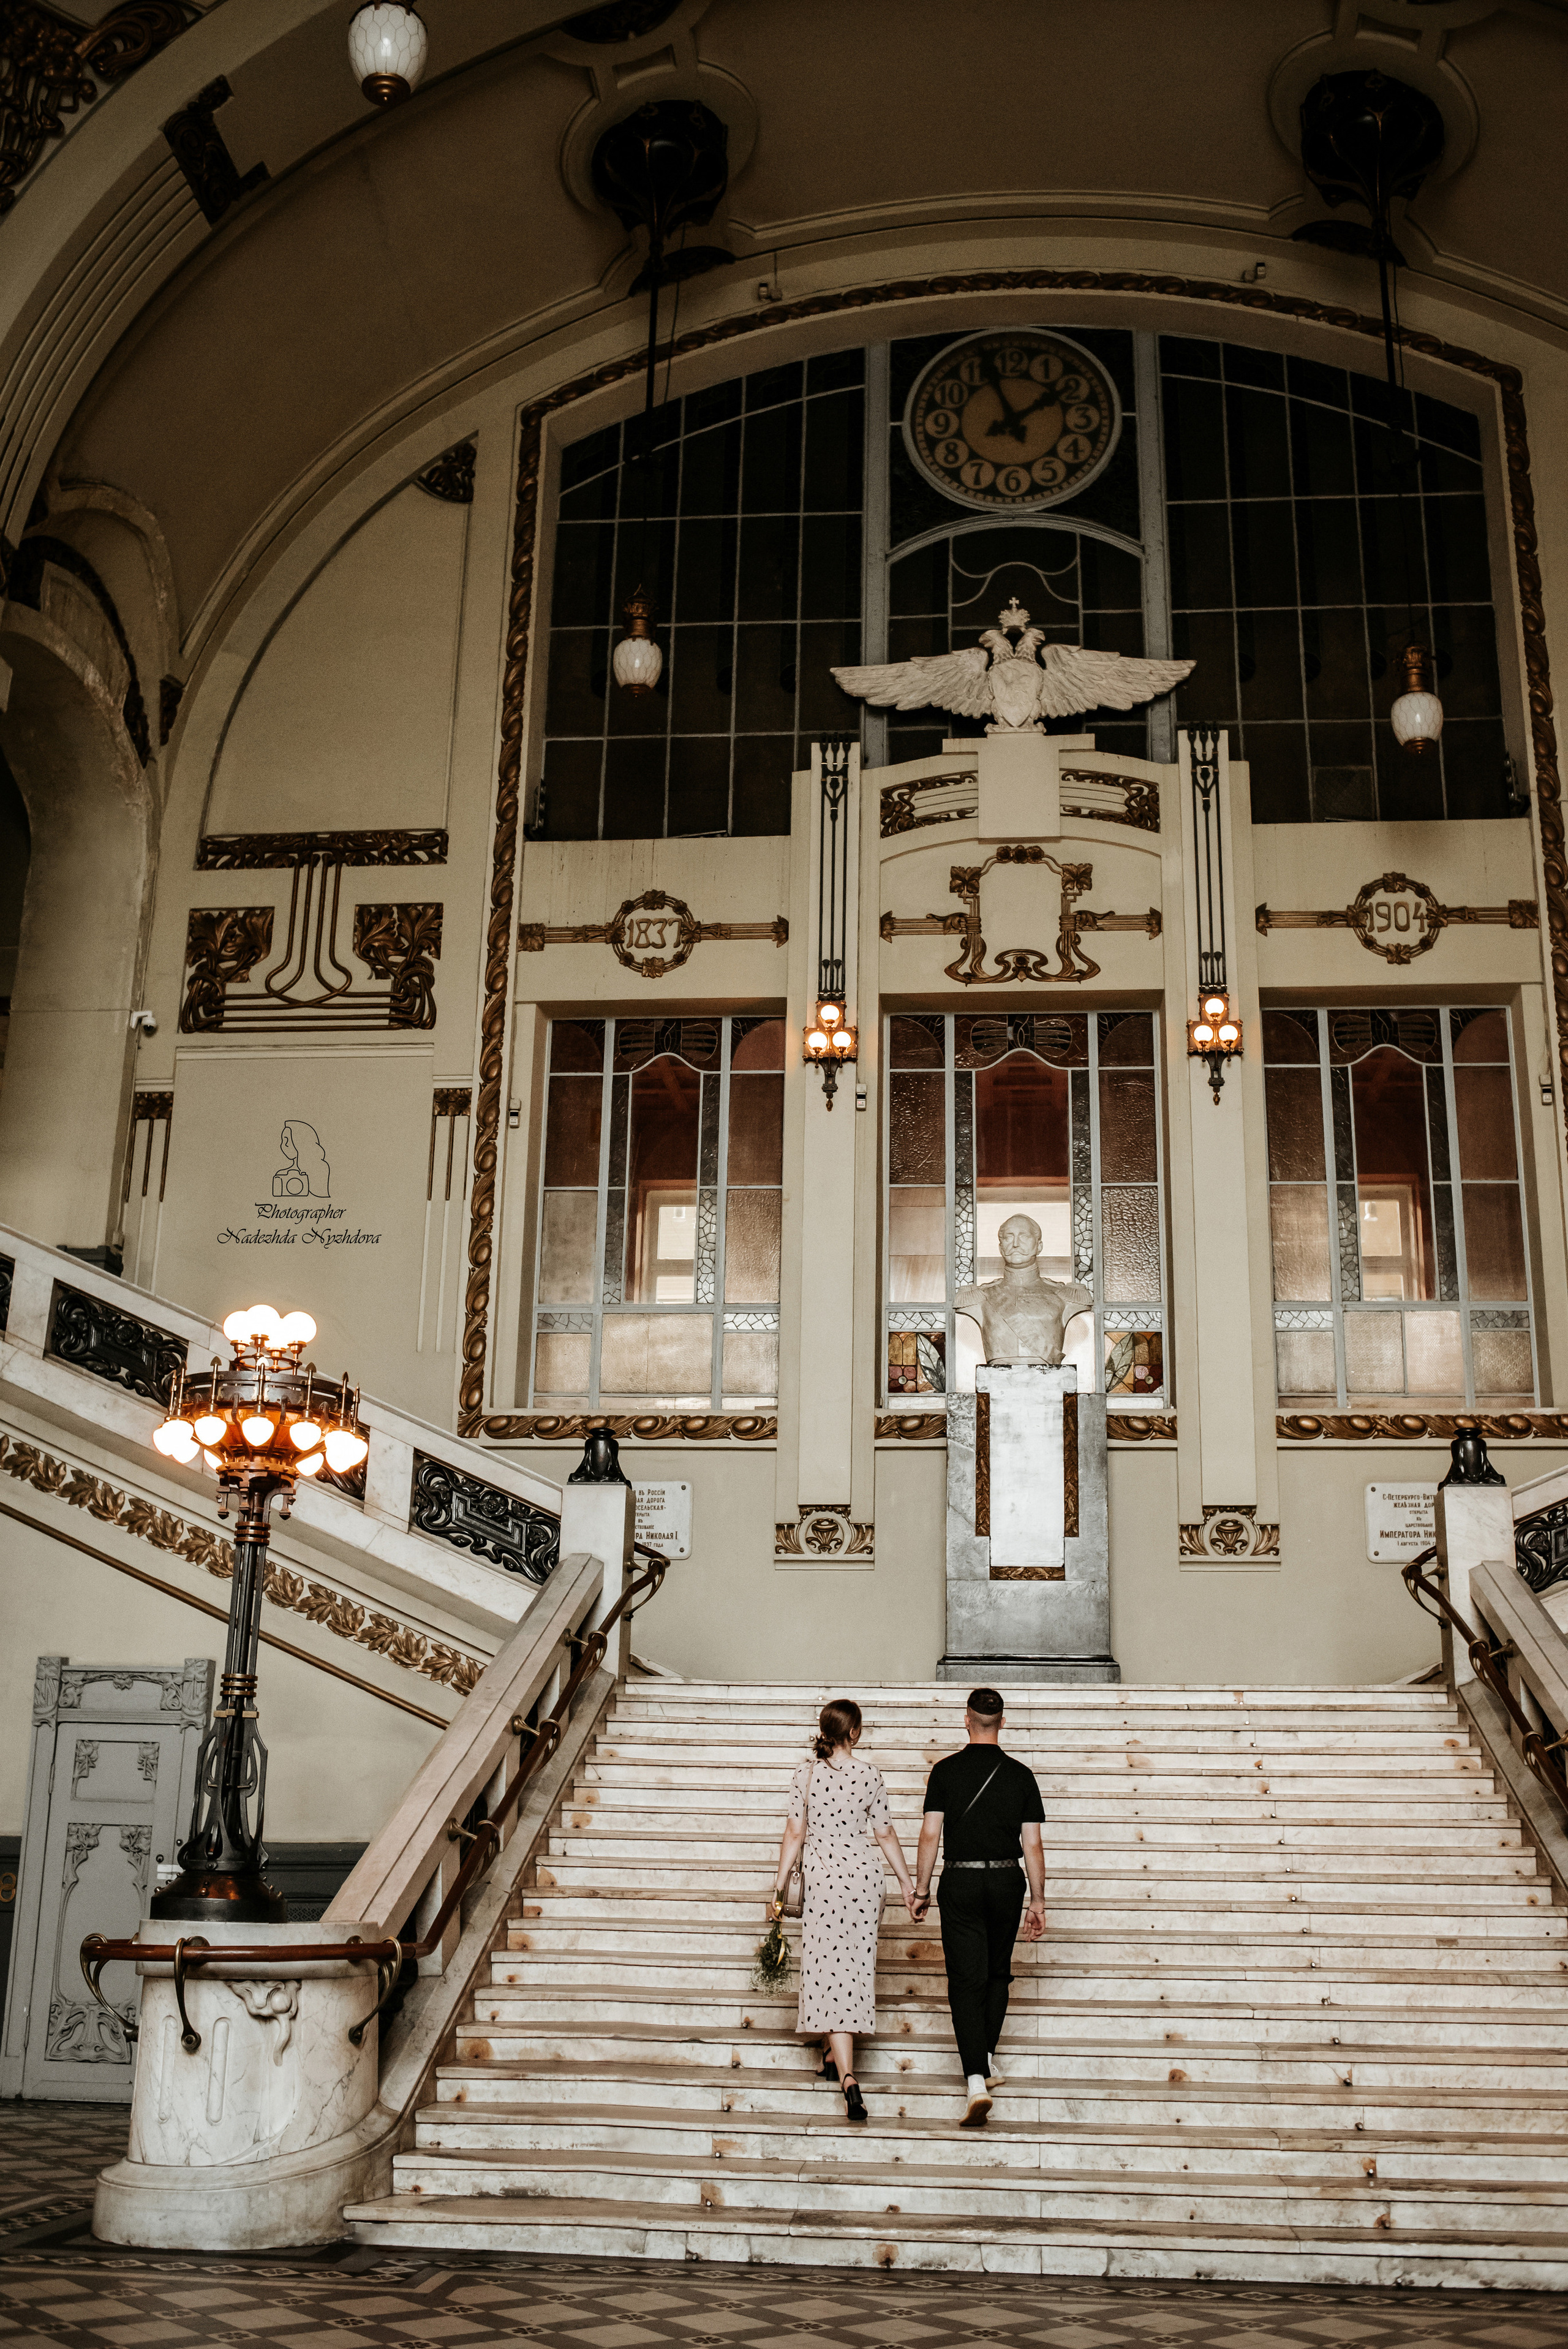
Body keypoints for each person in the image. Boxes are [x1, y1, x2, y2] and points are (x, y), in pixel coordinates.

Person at [769, 1698, 919, 2124]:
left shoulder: (806, 1773)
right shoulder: (870, 1775)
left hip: (823, 1880)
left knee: (824, 1967)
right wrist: (909, 1885)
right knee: (851, 1969)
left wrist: (779, 1887)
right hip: (863, 1880)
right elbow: (885, 1833)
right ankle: (832, 2056)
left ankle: (848, 2077)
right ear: (854, 1732)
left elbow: (795, 1834)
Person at [911, 1685, 1046, 2127]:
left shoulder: (945, 1771)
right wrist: (1039, 1899)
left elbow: (931, 1834)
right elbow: (1032, 1843)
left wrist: (922, 1888)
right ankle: (986, 2058)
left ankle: (975, 2079)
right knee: (997, 1973)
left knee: (965, 1978)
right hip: (1007, 1879)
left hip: (962, 1878)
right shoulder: (1022, 1776)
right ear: (1002, 1722)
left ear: (966, 1722)